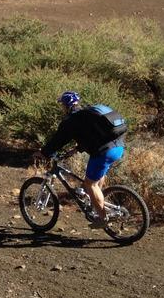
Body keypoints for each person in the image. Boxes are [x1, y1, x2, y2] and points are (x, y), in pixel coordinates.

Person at [34, 91, 126, 228]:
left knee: (90, 184)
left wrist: (44, 153)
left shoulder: (71, 120)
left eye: (62, 106)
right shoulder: (87, 115)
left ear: (66, 106)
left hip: (105, 152)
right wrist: (77, 149)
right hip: (118, 147)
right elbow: (92, 135)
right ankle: (95, 202)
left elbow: (58, 140)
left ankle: (103, 218)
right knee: (95, 178)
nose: (62, 109)